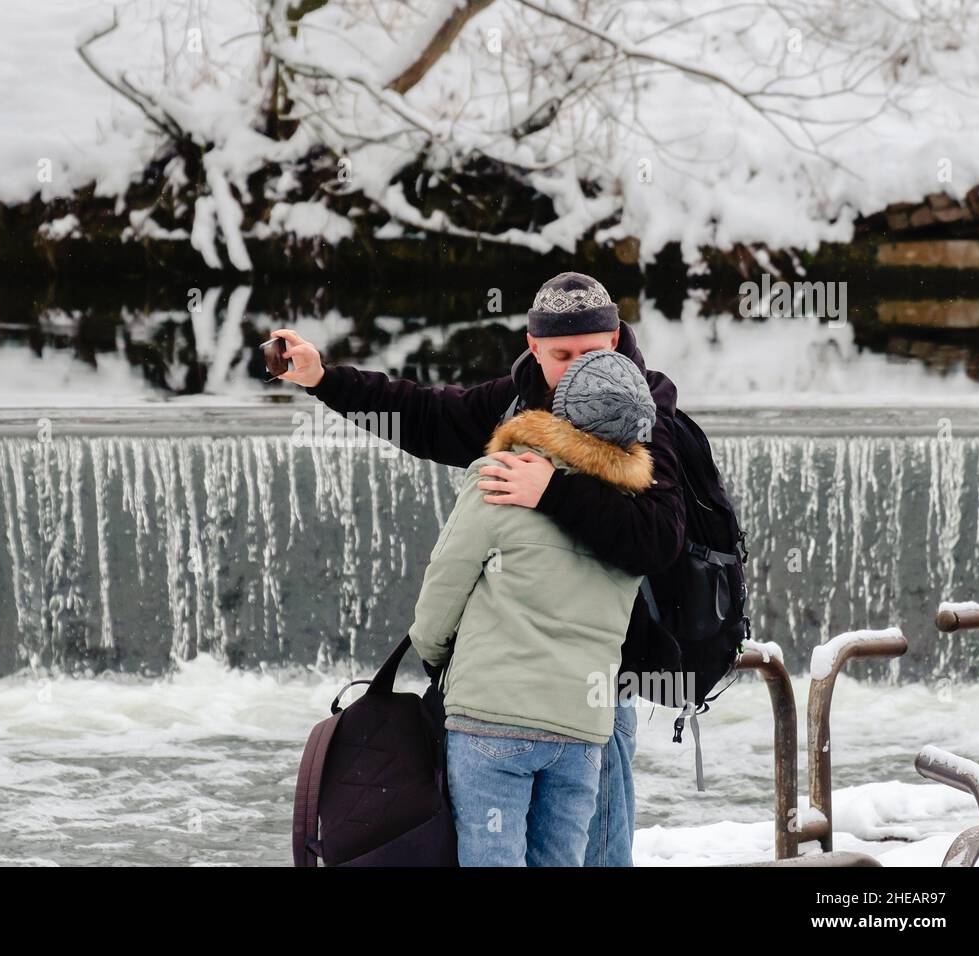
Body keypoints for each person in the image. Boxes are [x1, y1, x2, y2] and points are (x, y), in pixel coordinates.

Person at [272, 271, 685, 866]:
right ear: (533, 346)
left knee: (594, 856)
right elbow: (423, 415)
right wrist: (323, 379)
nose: (574, 370)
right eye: (560, 355)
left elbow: (658, 539)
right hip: (514, 684)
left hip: (602, 679)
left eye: (591, 352)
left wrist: (551, 490)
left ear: (617, 341)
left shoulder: (642, 411)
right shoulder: (516, 402)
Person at [408, 351, 657, 865]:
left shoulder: (499, 478)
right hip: (581, 730)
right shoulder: (632, 517)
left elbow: (441, 595)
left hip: (491, 716)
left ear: (557, 411)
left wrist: (437, 658)